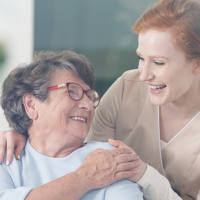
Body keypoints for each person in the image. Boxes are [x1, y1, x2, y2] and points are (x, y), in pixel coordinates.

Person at [1, 0, 200, 199]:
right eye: (141, 58)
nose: (143, 74)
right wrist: (24, 131)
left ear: (197, 64)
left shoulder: (113, 169)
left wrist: (143, 174)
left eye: (158, 62)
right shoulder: (128, 88)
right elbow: (79, 146)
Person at [0, 51, 143, 200]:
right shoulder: (6, 156)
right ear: (31, 105)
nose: (88, 105)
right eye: (72, 92)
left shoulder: (108, 159)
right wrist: (84, 178)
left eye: (89, 96)